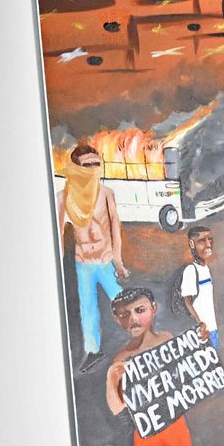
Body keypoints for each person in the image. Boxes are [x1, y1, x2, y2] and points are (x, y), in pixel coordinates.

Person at [57, 143, 130, 372]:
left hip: (106, 259)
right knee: (87, 309)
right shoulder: (65, 197)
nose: (93, 169)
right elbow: (57, 234)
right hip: (83, 262)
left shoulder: (106, 194)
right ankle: (93, 351)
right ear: (77, 168)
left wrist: (118, 262)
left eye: (97, 164)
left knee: (124, 301)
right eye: (87, 165)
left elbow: (115, 229)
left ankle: (144, 340)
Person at [105, 287, 194, 446]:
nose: (133, 319)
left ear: (153, 309)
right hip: (144, 429)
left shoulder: (167, 340)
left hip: (175, 422)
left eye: (140, 310)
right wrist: (112, 379)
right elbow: (117, 408)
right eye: (124, 315)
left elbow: (187, 378)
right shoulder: (120, 358)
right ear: (116, 319)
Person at [179, 225, 220, 349]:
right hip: (203, 332)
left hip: (213, 328)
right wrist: (199, 324)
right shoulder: (191, 270)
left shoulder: (205, 269)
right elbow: (187, 301)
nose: (208, 245)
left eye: (210, 239)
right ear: (192, 244)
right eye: (202, 241)